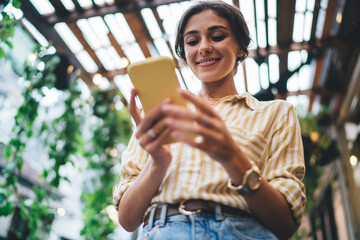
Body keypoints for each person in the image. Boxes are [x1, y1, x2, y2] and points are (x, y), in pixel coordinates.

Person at [113, 1, 305, 239]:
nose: (204, 47)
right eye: (192, 41)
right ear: (185, 55)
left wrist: (232, 158)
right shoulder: (161, 115)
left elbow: (285, 223)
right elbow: (128, 219)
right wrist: (157, 163)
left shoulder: (276, 113)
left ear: (241, 47)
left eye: (217, 36)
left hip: (240, 232)